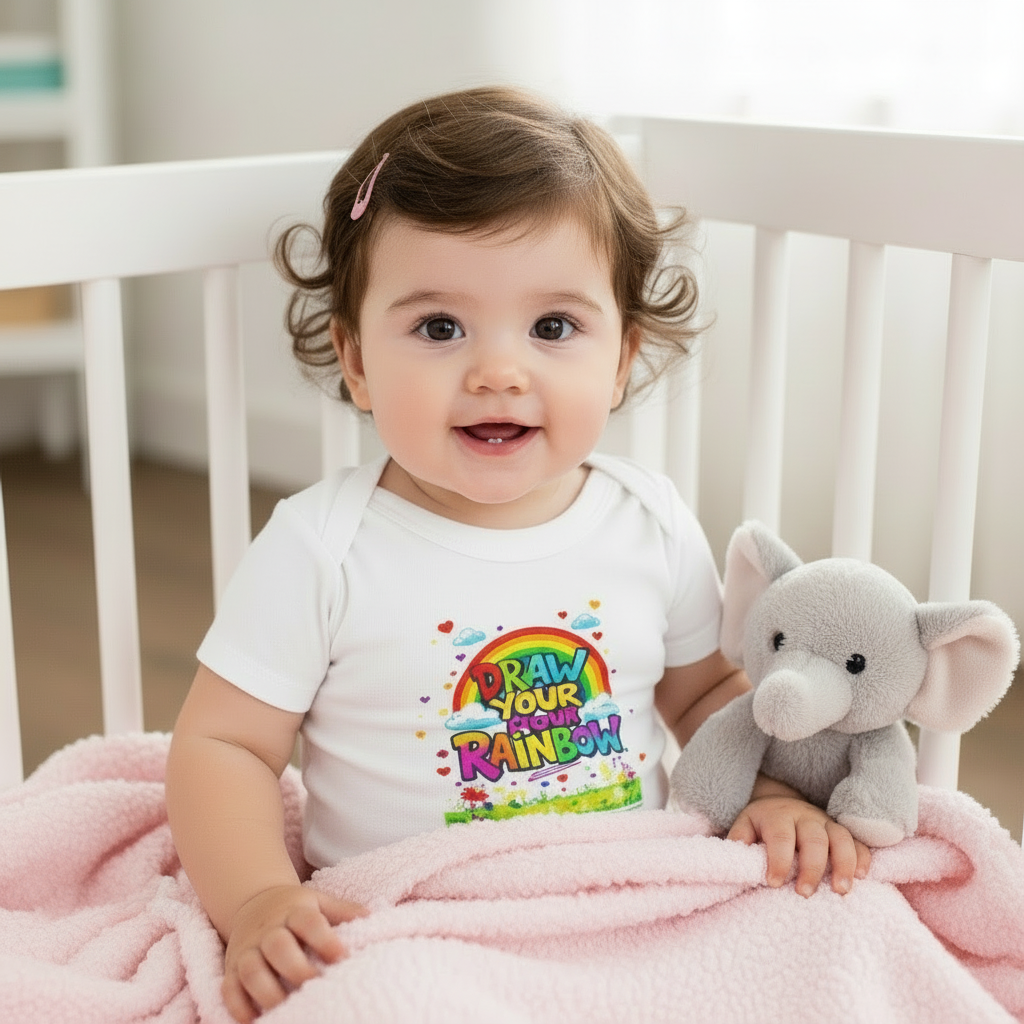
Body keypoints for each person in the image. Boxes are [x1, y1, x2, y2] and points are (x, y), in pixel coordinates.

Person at [165, 85, 871, 1023]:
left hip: (632, 897)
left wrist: (776, 789)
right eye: (439, 327)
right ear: (357, 359)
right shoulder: (322, 545)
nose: (499, 370)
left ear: (620, 359)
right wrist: (256, 898)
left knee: (830, 940)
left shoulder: (648, 519)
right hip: (421, 917)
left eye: (553, 328)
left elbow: (704, 696)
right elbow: (225, 747)